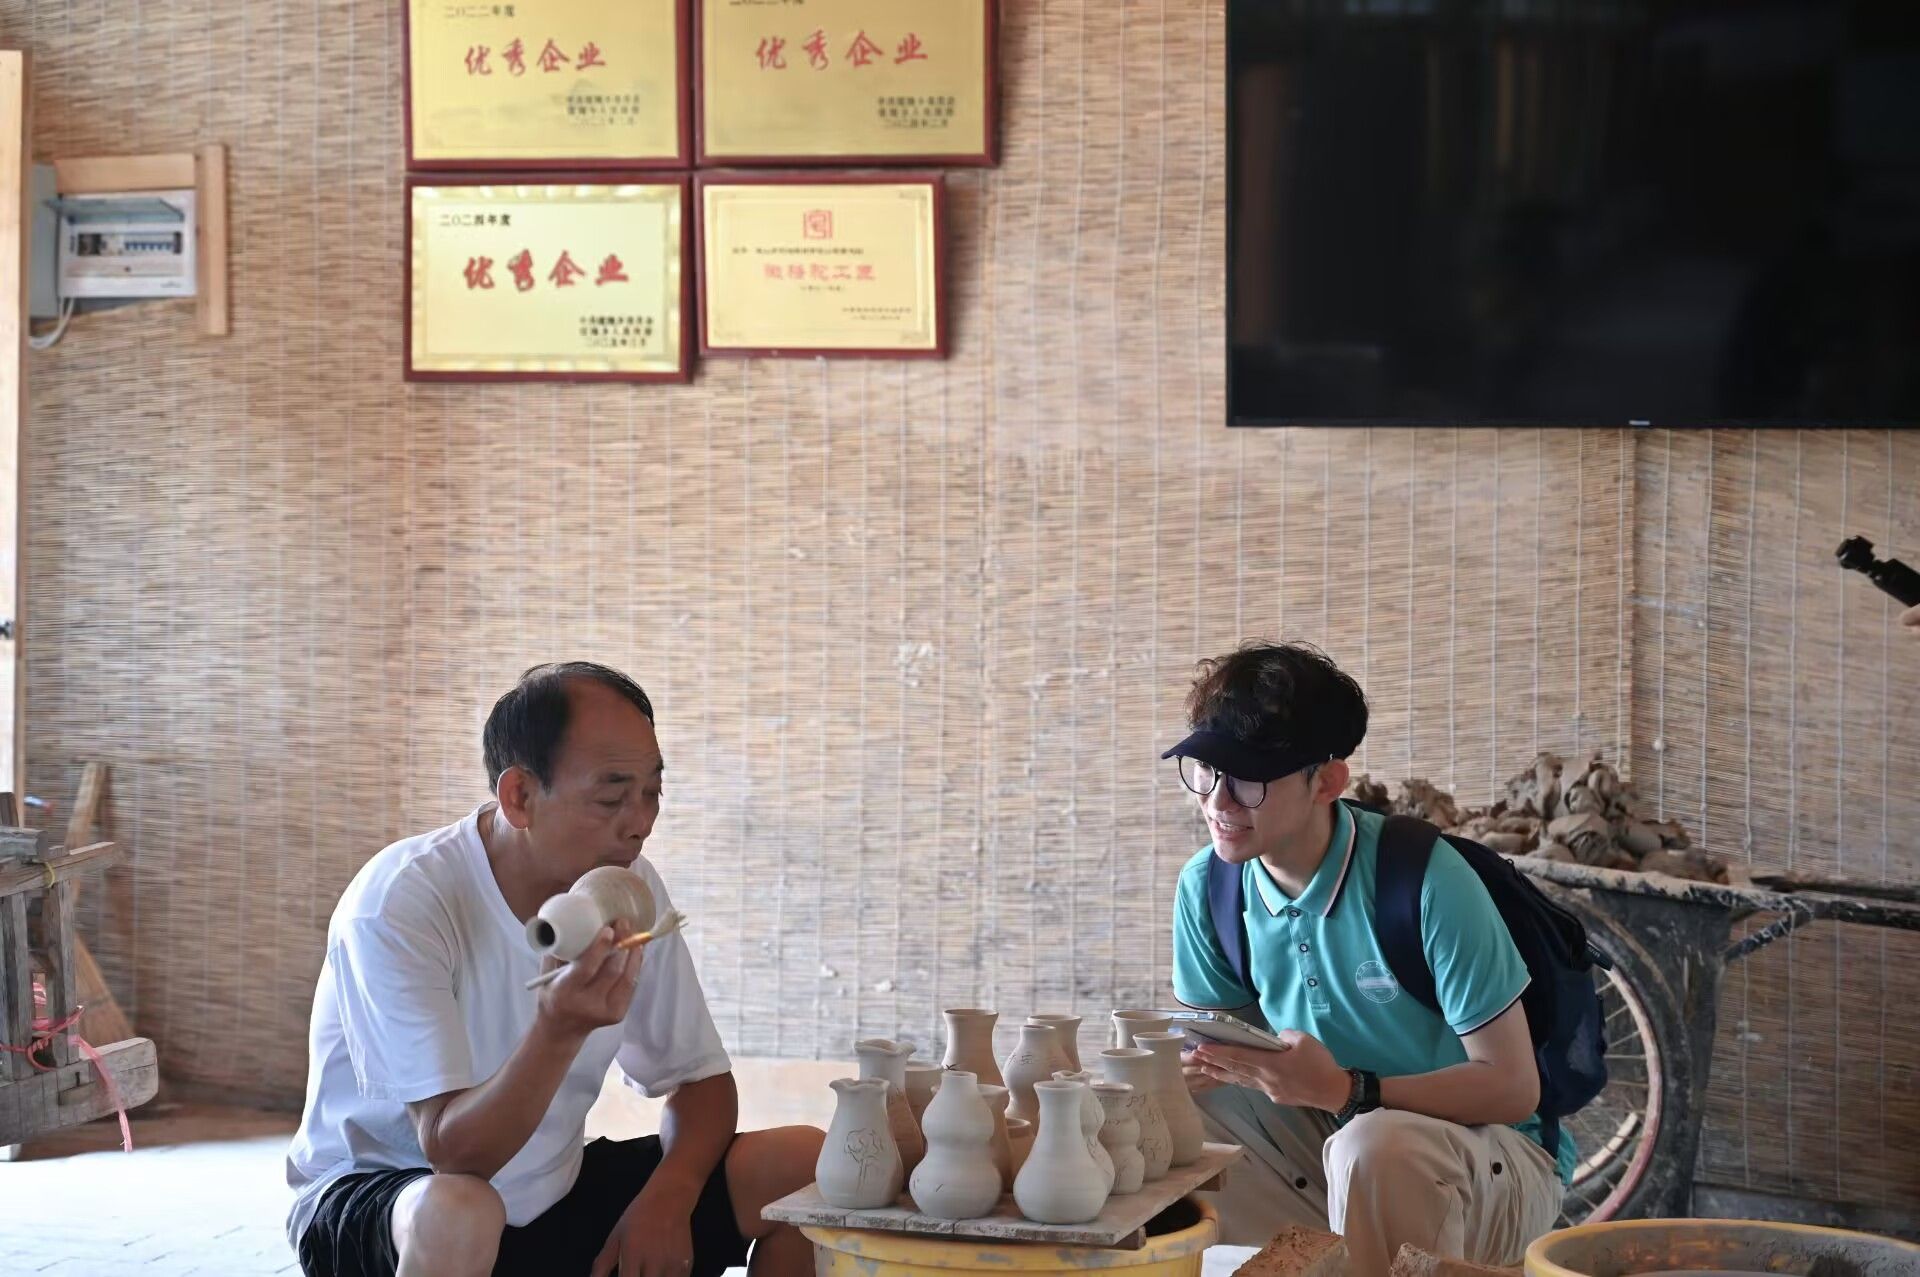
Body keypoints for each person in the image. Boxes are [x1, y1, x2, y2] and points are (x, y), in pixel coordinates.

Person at [287, 662, 822, 1277]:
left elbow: (701, 1084)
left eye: (652, 792)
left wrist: (668, 1199)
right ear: (519, 796)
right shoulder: (403, 900)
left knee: (805, 1166)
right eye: (611, 797)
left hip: (550, 1193)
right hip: (394, 1201)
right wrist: (558, 1030)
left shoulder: (630, 886)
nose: (641, 823)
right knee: (460, 1211)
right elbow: (453, 1153)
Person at [1162, 643, 1569, 1277]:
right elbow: (1223, 1055)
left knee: (1376, 1143)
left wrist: (1347, 1090)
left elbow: (1515, 1089)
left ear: (1326, 781)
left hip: (1484, 1163)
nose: (1218, 802)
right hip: (1332, 1146)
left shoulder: (1424, 881)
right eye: (1206, 771)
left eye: (1246, 779)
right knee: (1164, 1117)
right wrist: (1182, 1072)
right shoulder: (1208, 887)